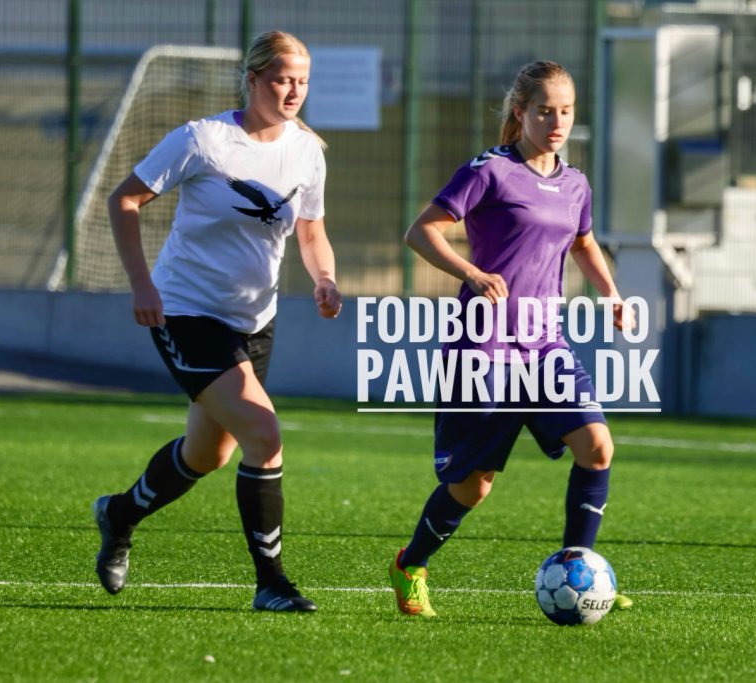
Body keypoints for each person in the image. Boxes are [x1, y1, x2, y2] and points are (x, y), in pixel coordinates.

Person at [94, 30, 341, 612]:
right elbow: (124, 200)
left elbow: (311, 232)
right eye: (282, 79)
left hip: (254, 321)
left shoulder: (307, 150)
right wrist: (141, 284)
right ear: (252, 79)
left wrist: (326, 278)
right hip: (185, 312)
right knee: (265, 434)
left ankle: (119, 514)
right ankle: (271, 583)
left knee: (208, 455)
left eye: (302, 81)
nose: (293, 91)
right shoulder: (203, 139)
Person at [389, 60, 633, 617]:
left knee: (597, 447)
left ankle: (582, 569)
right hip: (483, 348)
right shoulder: (490, 170)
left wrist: (612, 294)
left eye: (566, 111)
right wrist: (472, 274)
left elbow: (582, 242)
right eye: (545, 111)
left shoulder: (575, 183)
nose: (557, 121)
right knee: (472, 486)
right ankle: (411, 563)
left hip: (546, 347)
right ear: (520, 112)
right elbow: (420, 232)